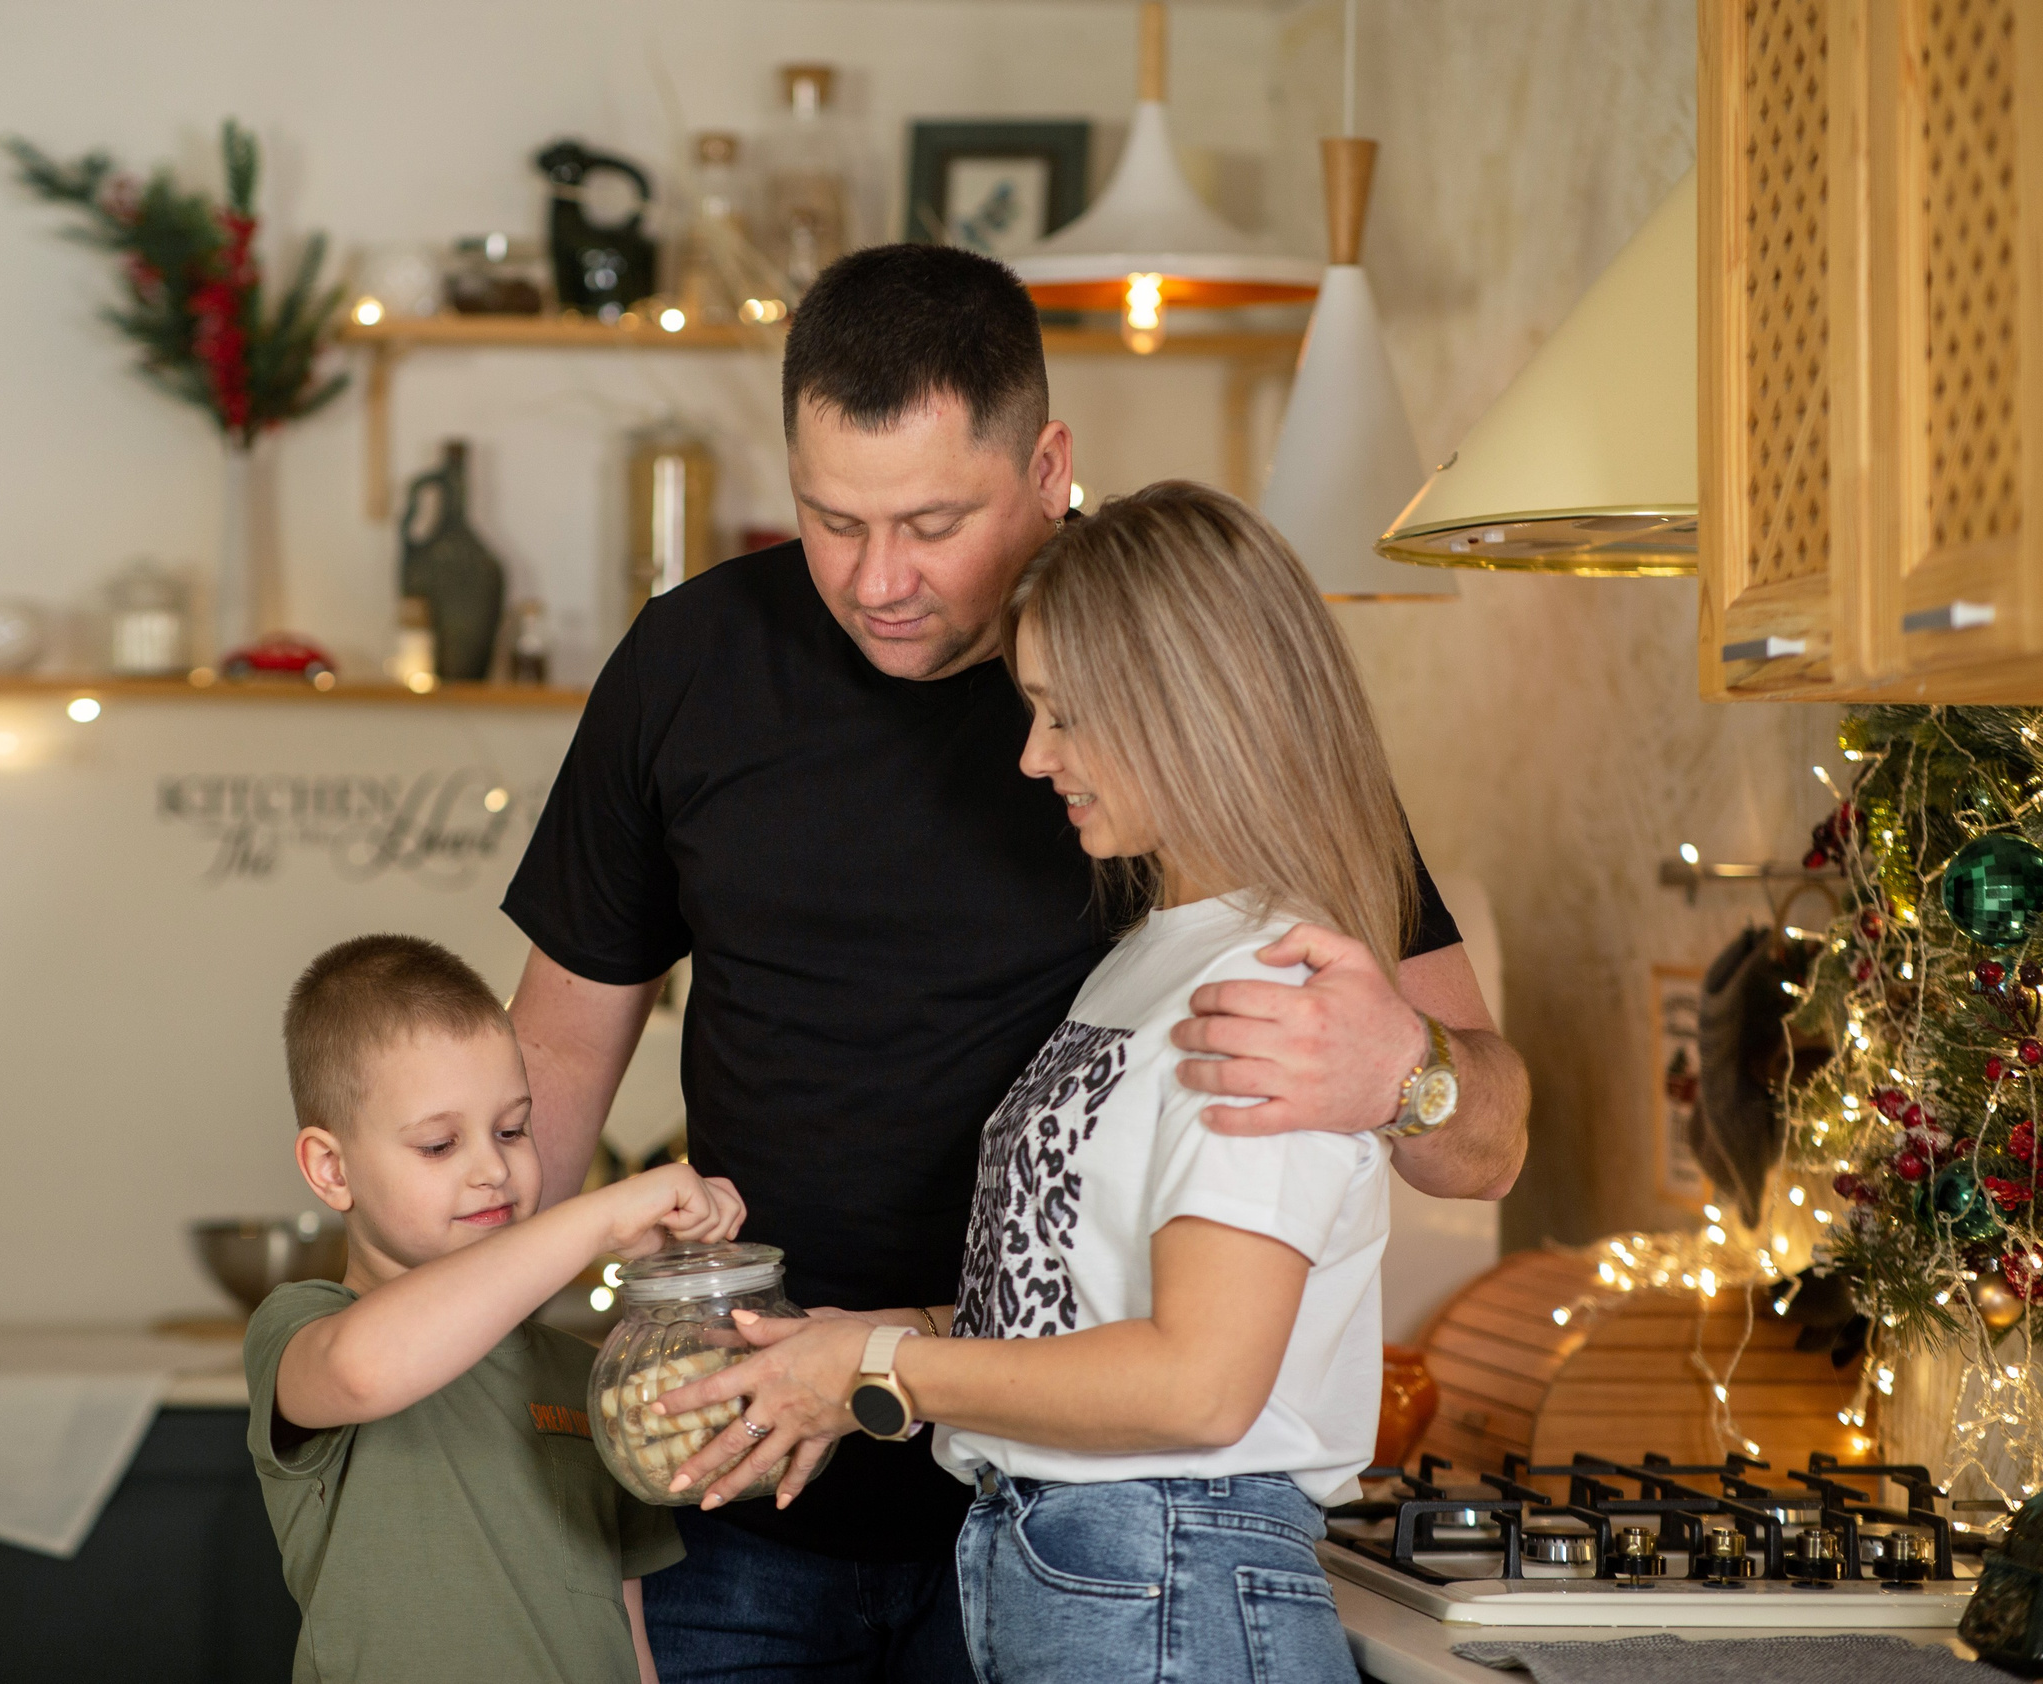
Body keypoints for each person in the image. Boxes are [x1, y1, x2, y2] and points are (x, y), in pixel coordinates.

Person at [502, 243, 1529, 1683]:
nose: (878, 582)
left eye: (932, 521)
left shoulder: (1178, 682)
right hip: (742, 1482)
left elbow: (1475, 1148)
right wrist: (450, 1355)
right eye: (829, 520)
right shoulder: (692, 666)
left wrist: (1408, 1076)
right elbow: (550, 1061)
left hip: (1066, 1517)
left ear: (1049, 465)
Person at [657, 481, 1401, 1683]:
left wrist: (879, 1372)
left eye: (1063, 714)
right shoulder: (1150, 957)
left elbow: (1199, 1384)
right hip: (1074, 1568)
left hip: (1168, 1575)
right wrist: (862, 1342)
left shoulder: (1272, 984)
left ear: (1185, 709)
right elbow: (1083, 1317)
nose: (1031, 753)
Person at [242, 933, 748, 1684]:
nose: (493, 1168)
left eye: (513, 1130)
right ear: (332, 1168)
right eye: (440, 1145)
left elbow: (628, 1626)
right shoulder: (303, 1328)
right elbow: (362, 1370)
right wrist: (599, 1220)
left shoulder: (594, 1377)